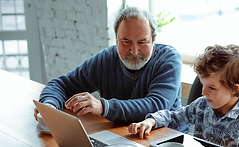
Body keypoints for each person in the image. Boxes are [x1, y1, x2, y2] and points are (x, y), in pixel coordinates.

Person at [34, 7, 183, 124]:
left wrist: (103, 107)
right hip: (121, 135)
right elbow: (60, 85)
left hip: (168, 142)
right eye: (126, 41)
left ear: (153, 39)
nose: (134, 50)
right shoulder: (105, 59)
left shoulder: (169, 59)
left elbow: (156, 105)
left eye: (142, 42)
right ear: (116, 39)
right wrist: (49, 106)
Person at [128, 44, 239, 147]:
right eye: (203, 85)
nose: (203, 92)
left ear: (233, 89)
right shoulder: (201, 106)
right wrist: (151, 121)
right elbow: (175, 117)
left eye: (211, 88)